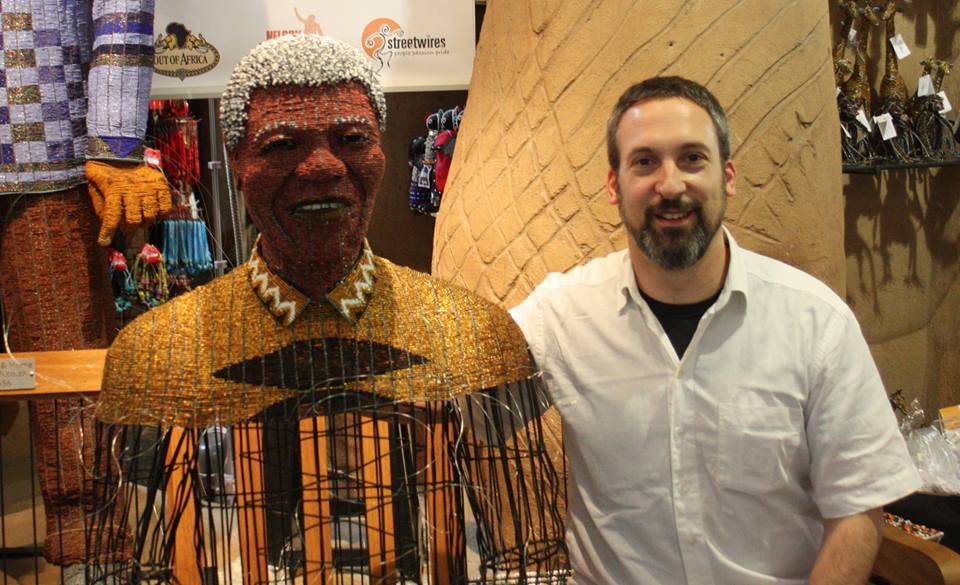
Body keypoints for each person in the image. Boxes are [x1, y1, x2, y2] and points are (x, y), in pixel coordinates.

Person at [94, 34, 566, 583]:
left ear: (381, 151)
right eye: (282, 145)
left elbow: (530, 550)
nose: (321, 166)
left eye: (351, 139)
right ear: (236, 161)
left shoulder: (472, 332)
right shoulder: (155, 351)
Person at [510, 76, 920, 585]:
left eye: (691, 159)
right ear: (613, 185)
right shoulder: (559, 315)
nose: (670, 185)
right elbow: (460, 408)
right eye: (644, 162)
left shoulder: (817, 323)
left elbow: (858, 509)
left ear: (727, 177)